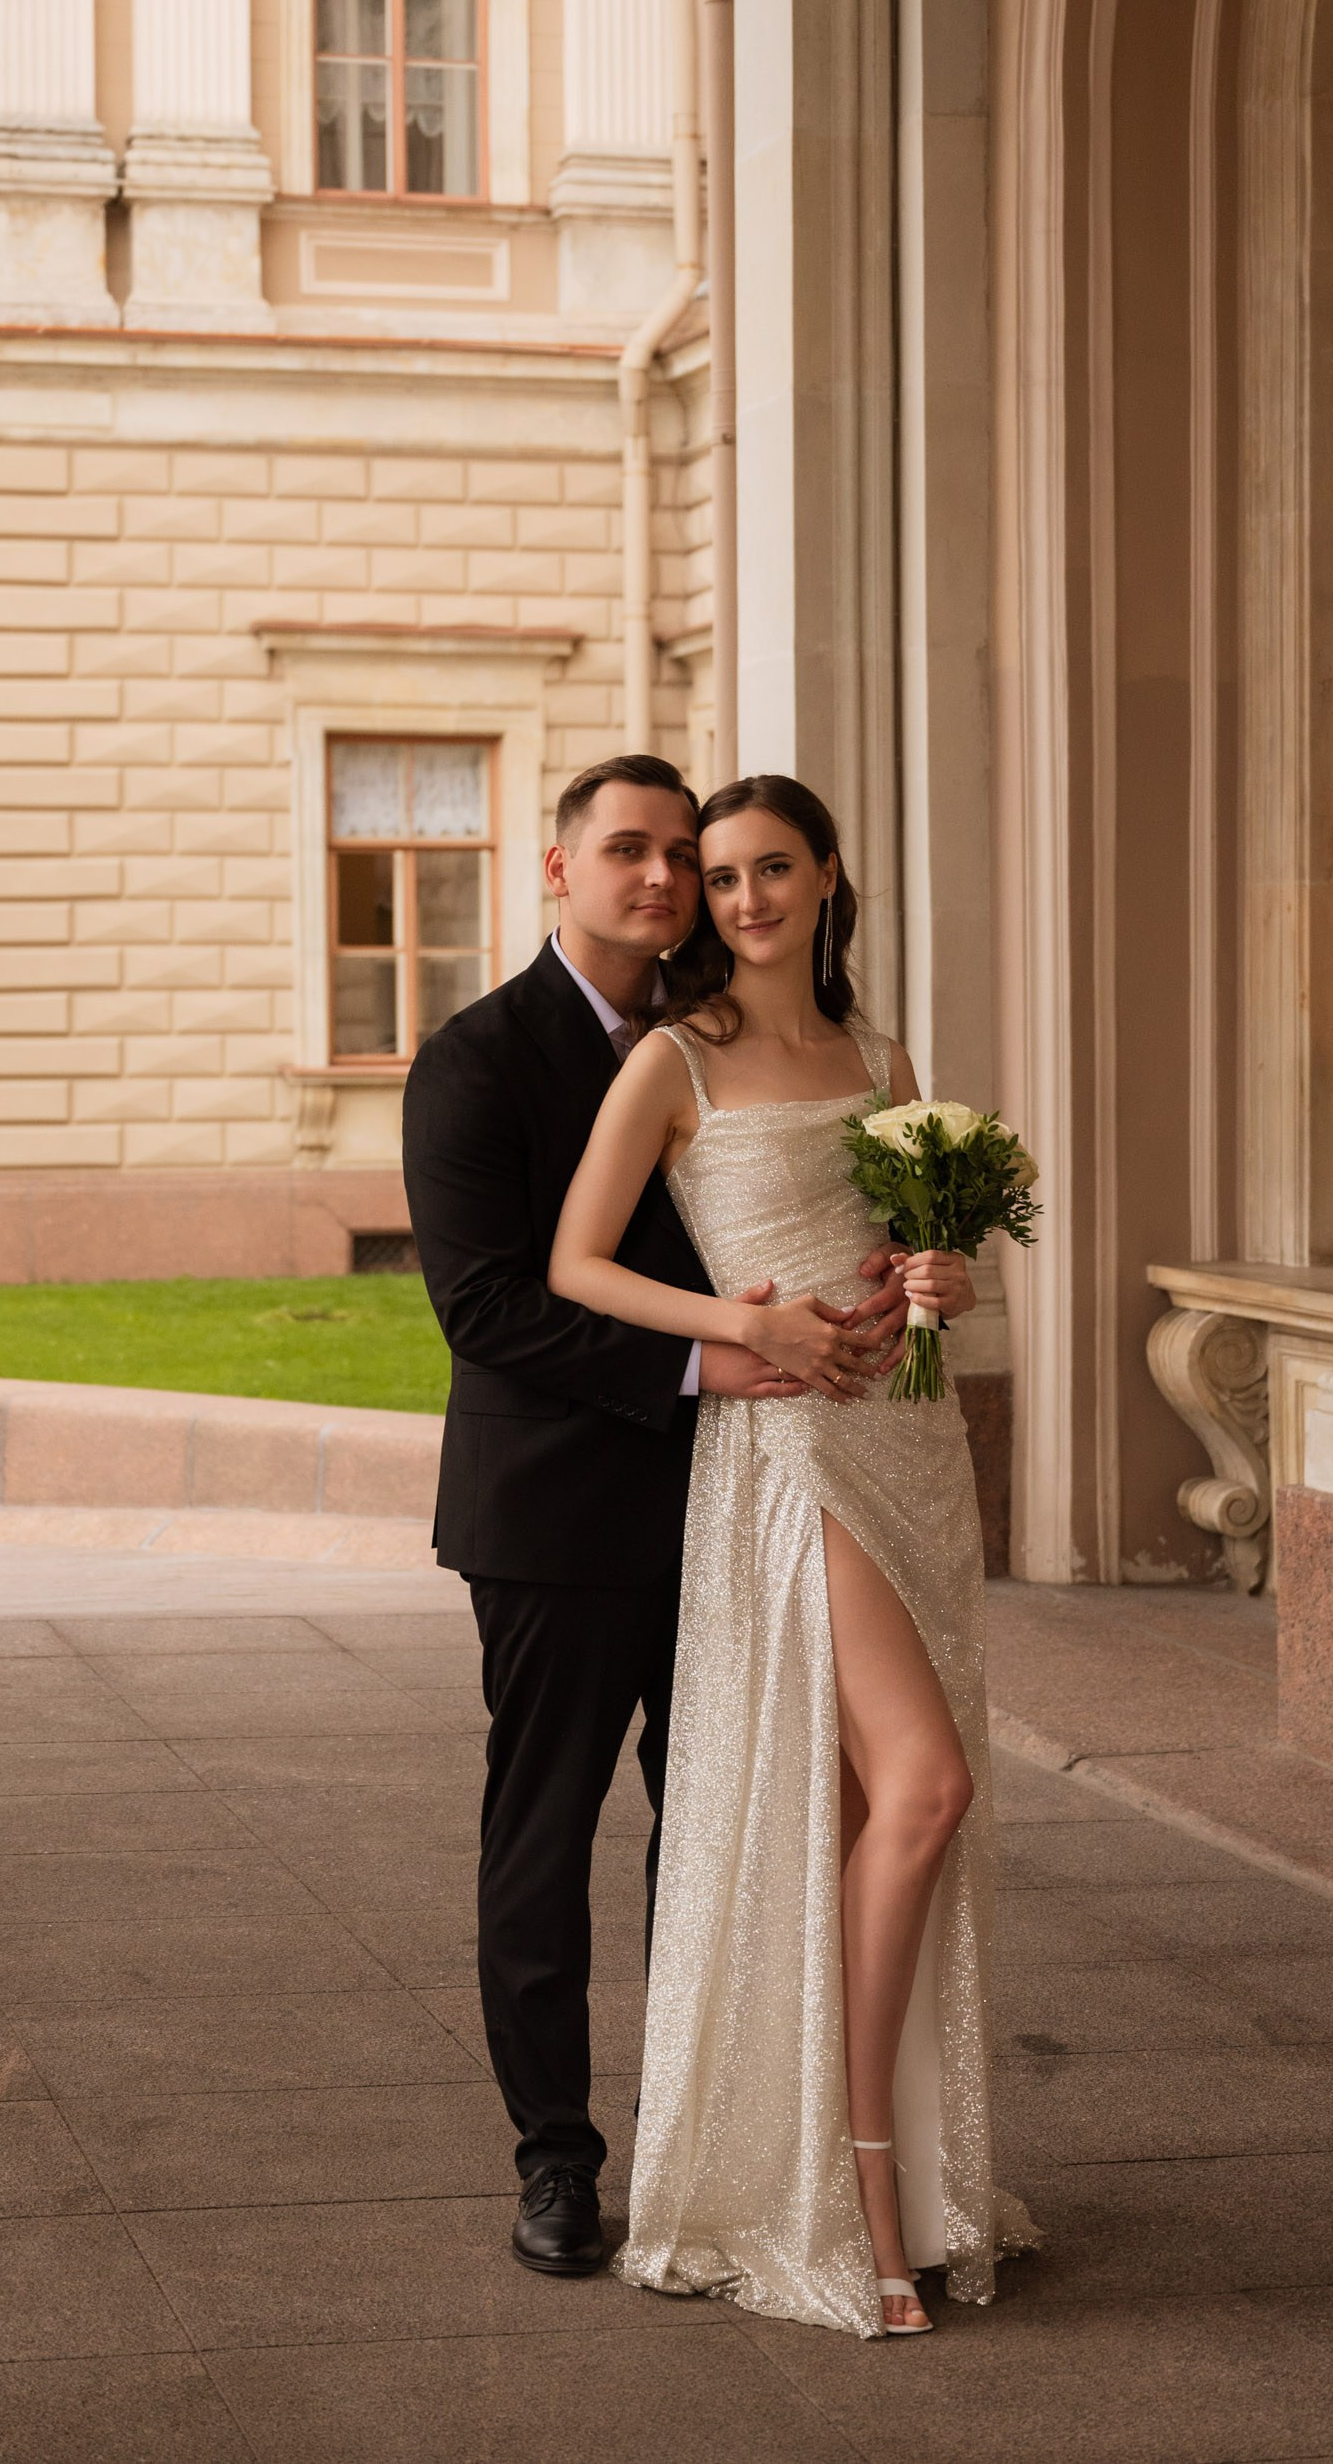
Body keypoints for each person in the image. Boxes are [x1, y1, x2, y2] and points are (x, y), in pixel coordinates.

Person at [402, 754, 907, 2281]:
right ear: (556, 869)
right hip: (555, 1516)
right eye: (627, 850)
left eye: (684, 855)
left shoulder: (732, 1028)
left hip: (741, 1508)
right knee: (544, 1846)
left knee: (727, 1838)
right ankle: (556, 2157)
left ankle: (717, 2143)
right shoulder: (479, 1059)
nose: (666, 880)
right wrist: (710, 1354)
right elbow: (485, 1306)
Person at [548, 772, 1035, 2338]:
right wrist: (736, 1324)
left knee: (857, 1821)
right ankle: (873, 2190)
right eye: (720, 873)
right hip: (790, 1448)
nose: (741, 897)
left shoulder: (885, 1059)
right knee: (931, 1785)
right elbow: (574, 1262)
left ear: (829, 880)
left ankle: (834, 2172)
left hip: (908, 1434)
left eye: (771, 869)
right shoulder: (673, 1059)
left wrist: (938, 1280)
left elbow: (901, 1260)